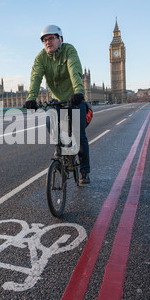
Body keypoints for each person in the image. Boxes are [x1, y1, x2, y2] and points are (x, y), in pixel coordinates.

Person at [25, 25, 90, 185]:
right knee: (50, 121)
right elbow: (35, 77)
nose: (48, 42)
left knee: (79, 135)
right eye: (45, 40)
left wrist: (78, 92)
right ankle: (61, 148)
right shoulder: (41, 58)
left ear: (60, 39)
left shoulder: (69, 50)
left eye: (51, 38)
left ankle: (84, 171)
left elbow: (74, 69)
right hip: (57, 100)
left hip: (74, 99)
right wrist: (31, 97)